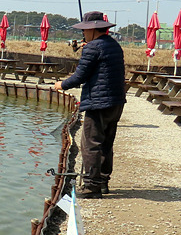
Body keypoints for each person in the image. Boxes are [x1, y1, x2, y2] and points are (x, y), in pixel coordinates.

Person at [53, 11, 127, 198]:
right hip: (116, 101)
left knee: (91, 144)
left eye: (84, 30)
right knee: (106, 143)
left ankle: (91, 187)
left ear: (93, 30)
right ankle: (102, 182)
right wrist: (91, 47)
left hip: (98, 103)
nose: (83, 34)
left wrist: (61, 85)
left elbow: (80, 76)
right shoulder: (114, 45)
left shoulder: (93, 47)